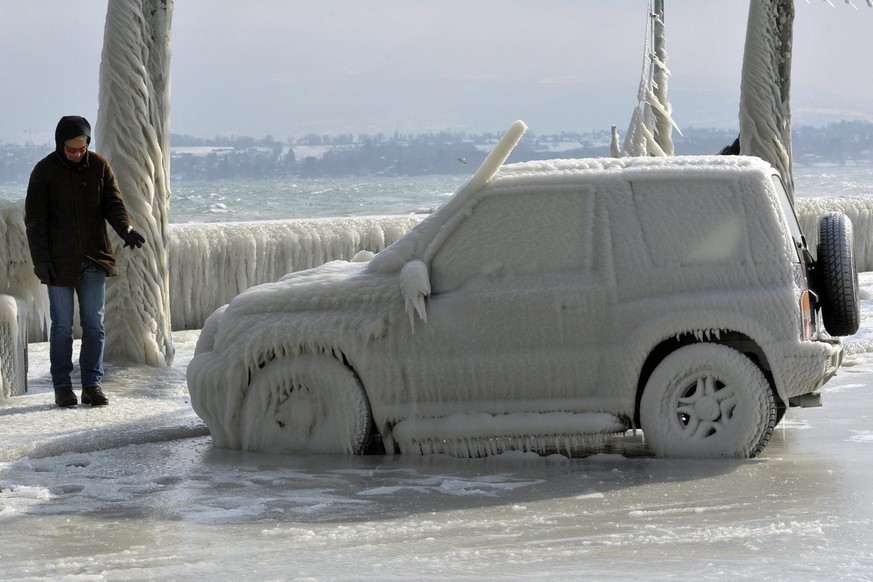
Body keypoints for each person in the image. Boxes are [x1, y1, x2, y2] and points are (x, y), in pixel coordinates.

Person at [24, 116, 146, 408]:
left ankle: (92, 384)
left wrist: (125, 228)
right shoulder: (44, 171)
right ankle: (62, 386)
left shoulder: (100, 166)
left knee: (95, 324)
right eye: (71, 149)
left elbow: (112, 204)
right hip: (58, 261)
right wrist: (40, 260)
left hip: (93, 257)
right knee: (62, 326)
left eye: (81, 148)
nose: (77, 154)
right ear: (60, 144)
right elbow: (35, 221)